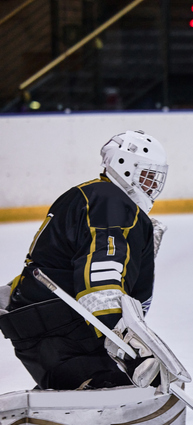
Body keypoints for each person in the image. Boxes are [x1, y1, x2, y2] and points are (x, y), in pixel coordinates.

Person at [0, 130, 169, 391]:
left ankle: (76, 387)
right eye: (147, 176)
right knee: (139, 383)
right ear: (124, 165)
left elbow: (56, 263)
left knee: (132, 382)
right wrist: (126, 341)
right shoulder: (111, 202)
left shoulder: (95, 196)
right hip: (62, 334)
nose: (152, 186)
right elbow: (100, 277)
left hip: (49, 334)